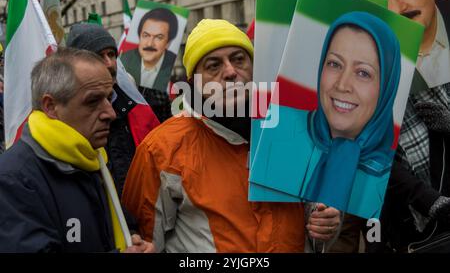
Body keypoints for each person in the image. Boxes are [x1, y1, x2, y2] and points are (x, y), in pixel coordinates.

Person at [121, 19, 341, 252]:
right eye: (213, 65)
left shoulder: (293, 130)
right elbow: (146, 242)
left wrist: (326, 224)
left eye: (238, 59)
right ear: (193, 81)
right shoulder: (161, 149)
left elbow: (317, 226)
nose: (230, 72)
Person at [250, 12, 400, 224]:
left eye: (363, 73)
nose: (342, 85)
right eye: (335, 64)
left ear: (386, 87)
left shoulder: (393, 174)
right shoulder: (273, 131)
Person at [0, 48, 154, 253]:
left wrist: (131, 239)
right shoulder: (12, 178)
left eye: (109, 98)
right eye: (92, 101)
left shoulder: (92, 157)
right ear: (50, 106)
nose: (110, 113)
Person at [346, 0, 450, 252]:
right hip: (400, 236)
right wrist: (428, 201)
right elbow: (363, 154)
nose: (397, 9)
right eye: (380, 0)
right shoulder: (355, 68)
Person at [66, 23, 160, 197]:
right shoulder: (68, 120)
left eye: (111, 54)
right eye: (99, 56)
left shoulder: (136, 111)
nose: (109, 64)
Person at [121, 8, 178, 122]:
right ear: (139, 37)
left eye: (159, 37)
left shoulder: (162, 85)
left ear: (168, 43)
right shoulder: (124, 69)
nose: (150, 43)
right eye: (146, 35)